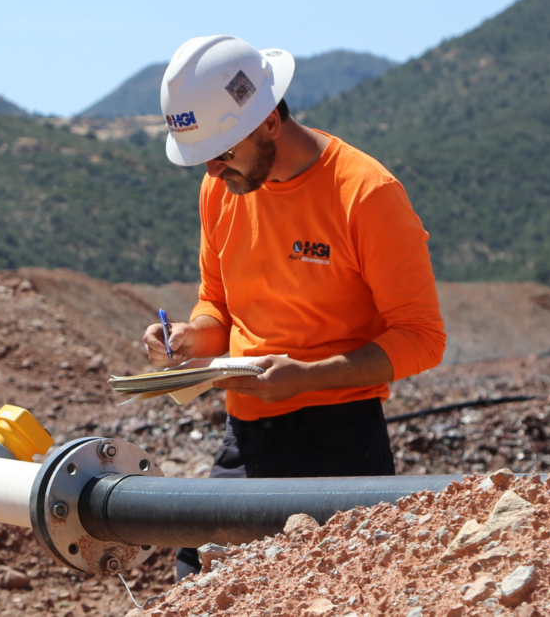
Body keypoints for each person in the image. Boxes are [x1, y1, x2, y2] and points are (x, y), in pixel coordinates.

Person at [139, 35, 446, 579]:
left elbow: (422, 337)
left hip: (341, 446)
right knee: (200, 586)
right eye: (204, 160)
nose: (213, 172)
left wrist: (308, 377)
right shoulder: (223, 189)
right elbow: (218, 306)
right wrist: (190, 337)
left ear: (271, 123)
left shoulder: (366, 194)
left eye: (223, 154)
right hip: (246, 434)